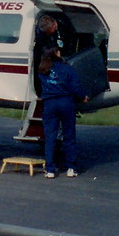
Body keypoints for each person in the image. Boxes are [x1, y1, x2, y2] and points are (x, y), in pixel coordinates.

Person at [38, 45, 89, 179]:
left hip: (50, 103)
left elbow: (39, 86)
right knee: (69, 136)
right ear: (55, 53)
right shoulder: (68, 69)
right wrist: (83, 96)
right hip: (66, 103)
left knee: (50, 137)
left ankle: (50, 169)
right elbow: (75, 87)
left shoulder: (42, 69)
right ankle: (71, 167)